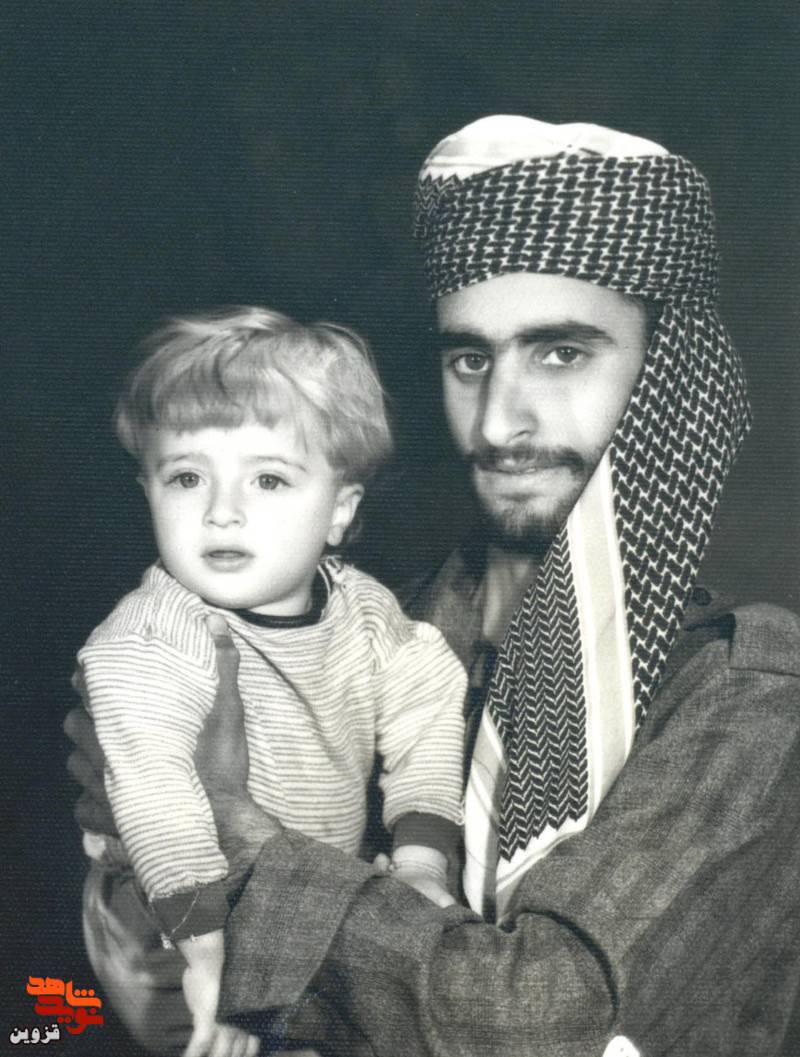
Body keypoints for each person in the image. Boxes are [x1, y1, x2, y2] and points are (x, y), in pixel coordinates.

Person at [67, 117, 800, 1056]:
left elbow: (538, 1023)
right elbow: (162, 997)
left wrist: (240, 835)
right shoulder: (376, 627)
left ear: (667, 378)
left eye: (562, 353)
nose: (497, 421)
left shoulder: (744, 690)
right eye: (470, 359)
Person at [73, 307, 466, 1057]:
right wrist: (209, 953)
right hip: (166, 907)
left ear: (340, 508)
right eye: (187, 476)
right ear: (147, 490)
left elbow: (428, 704)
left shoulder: (364, 612)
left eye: (268, 478)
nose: (222, 512)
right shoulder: (154, 634)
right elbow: (157, 794)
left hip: (288, 891)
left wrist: (421, 858)